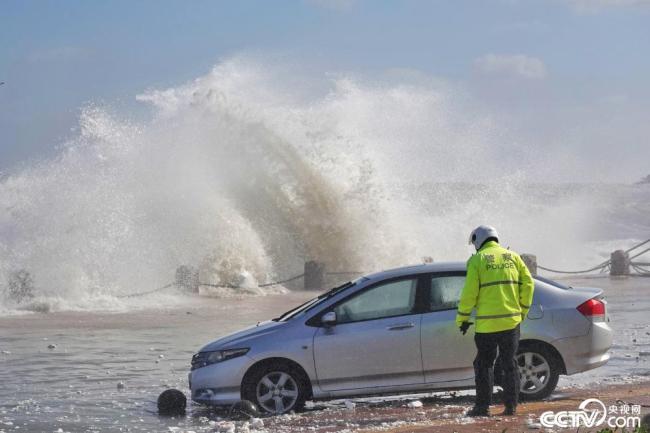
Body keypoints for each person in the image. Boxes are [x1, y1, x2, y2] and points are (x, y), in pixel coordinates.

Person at [456, 225, 534, 417]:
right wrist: (522, 312)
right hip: (511, 324)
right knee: (509, 364)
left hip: (487, 326)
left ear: (478, 240)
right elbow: (529, 284)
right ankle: (511, 407)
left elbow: (469, 293)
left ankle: (482, 407)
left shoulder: (477, 260)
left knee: (484, 364)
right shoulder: (513, 257)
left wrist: (463, 318)